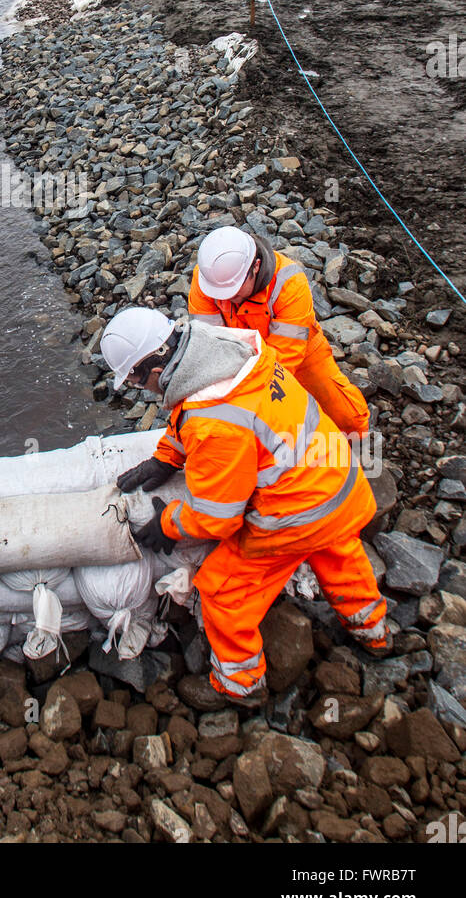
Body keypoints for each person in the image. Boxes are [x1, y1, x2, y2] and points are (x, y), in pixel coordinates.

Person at [99, 307, 389, 705]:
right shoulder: (229, 350)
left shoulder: (214, 423)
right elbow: (210, 407)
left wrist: (167, 523)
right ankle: (371, 631)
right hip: (340, 487)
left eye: (134, 377)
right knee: (337, 551)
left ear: (154, 364)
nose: (137, 387)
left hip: (298, 515)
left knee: (224, 592)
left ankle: (240, 685)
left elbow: (218, 517)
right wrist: (167, 456)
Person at [188, 225, 370, 438]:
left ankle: (357, 449)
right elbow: (207, 341)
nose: (227, 298)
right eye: (222, 293)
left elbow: (285, 357)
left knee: (346, 418)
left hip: (302, 355)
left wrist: (251, 398)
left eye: (234, 291)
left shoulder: (289, 282)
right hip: (236, 355)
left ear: (255, 267)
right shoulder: (208, 278)